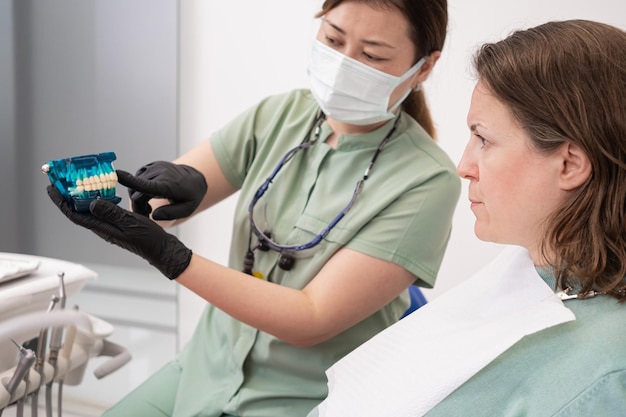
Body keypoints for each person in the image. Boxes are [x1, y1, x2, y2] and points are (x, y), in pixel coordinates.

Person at [46, 1, 460, 416]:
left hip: (302, 400)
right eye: (333, 38)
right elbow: (162, 203)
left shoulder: (427, 181)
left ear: (424, 67)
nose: (343, 63)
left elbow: (310, 318)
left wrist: (173, 258)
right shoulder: (280, 115)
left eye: (372, 55)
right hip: (205, 368)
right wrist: (139, 195)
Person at [307, 19, 626, 417]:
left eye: (484, 139)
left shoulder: (606, 376)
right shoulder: (535, 271)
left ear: (569, 164)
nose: (464, 166)